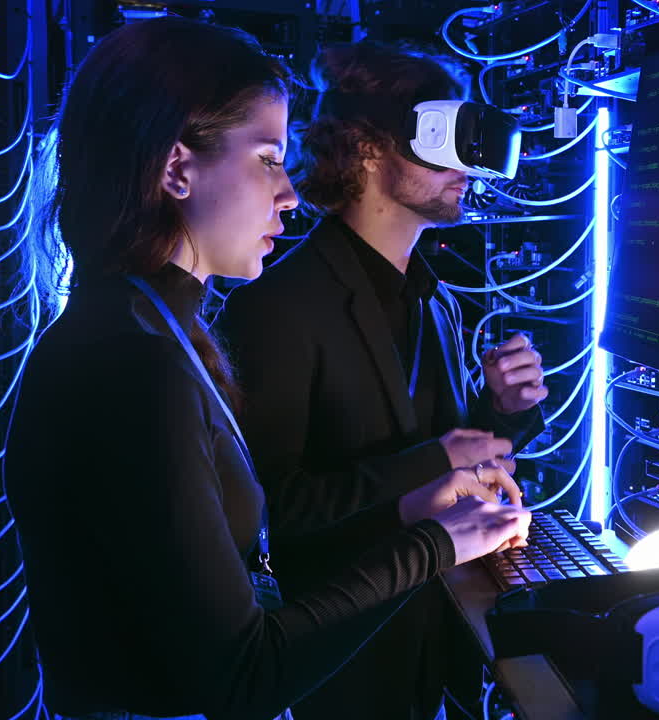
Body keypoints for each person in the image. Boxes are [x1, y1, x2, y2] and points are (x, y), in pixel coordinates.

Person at [3, 17, 529, 720]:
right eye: (268, 158)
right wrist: (435, 543)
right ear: (178, 168)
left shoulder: (154, 334)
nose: (289, 193)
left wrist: (412, 506)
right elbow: (239, 674)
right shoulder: (134, 363)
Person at [215, 42, 548, 719]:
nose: (469, 167)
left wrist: (503, 412)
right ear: (368, 148)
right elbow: (267, 520)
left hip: (437, 640)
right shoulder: (278, 307)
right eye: (443, 139)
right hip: (339, 670)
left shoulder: (439, 303)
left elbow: (449, 463)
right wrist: (436, 462)